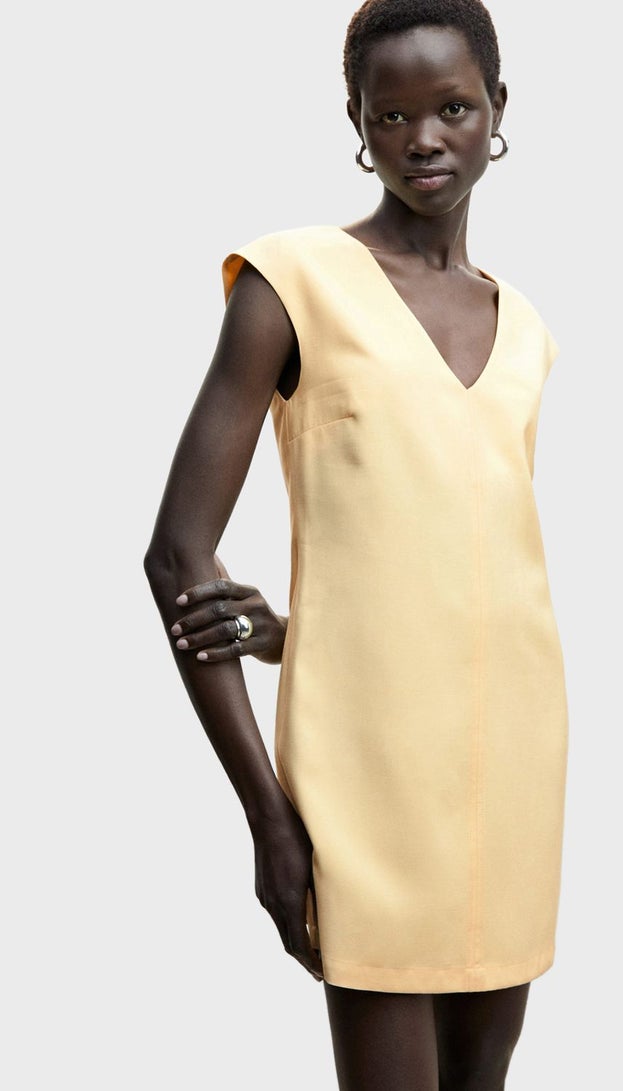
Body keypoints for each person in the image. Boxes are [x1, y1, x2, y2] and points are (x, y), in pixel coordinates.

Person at [144, 0, 569, 1086]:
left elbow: (454, 559)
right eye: (391, 115)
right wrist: (269, 820)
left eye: (452, 108)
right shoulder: (290, 281)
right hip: (361, 786)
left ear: (497, 108)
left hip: (514, 768)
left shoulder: (525, 328)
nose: (423, 138)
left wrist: (297, 630)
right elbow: (177, 554)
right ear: (357, 122)